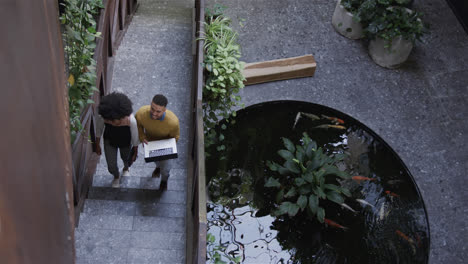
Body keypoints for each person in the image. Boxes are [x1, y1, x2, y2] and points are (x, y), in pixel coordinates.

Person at [135, 94, 180, 190]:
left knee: (166, 169)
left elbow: (175, 137)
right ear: (150, 104)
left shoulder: (173, 122)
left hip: (165, 146)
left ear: (164, 110)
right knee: (157, 162)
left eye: (158, 111)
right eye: (152, 109)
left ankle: (164, 180)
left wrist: (166, 146)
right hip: (150, 144)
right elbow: (138, 124)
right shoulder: (141, 113)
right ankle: (158, 167)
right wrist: (142, 137)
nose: (154, 113)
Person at [95, 92, 139, 188]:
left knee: (126, 158)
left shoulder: (130, 120)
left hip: (125, 141)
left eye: (118, 119)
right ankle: (116, 175)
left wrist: (135, 152)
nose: (115, 122)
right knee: (111, 165)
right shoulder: (104, 118)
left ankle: (126, 168)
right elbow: (99, 129)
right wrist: (97, 144)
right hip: (109, 140)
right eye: (112, 120)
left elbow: (135, 137)